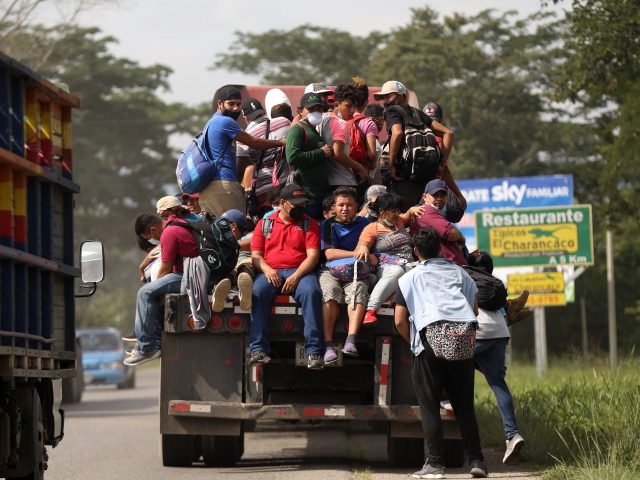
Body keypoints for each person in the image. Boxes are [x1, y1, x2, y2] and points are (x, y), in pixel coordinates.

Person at [394, 227, 488, 479]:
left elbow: (400, 320)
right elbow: (475, 310)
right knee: (464, 405)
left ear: (416, 251)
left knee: (429, 406)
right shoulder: (460, 273)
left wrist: (416, 343)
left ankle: (434, 465)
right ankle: (477, 460)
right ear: (439, 249)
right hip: (463, 341)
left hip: (429, 341)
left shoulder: (408, 278)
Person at [248, 183, 325, 370]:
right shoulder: (264, 223)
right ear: (282, 203)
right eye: (295, 204)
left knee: (312, 292)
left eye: (303, 204)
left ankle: (314, 352)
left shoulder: (310, 223)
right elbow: (256, 256)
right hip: (271, 270)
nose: (300, 208)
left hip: (300, 271)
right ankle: (258, 349)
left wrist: (296, 276)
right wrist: (267, 270)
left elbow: (313, 256)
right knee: (258, 292)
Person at [465, 250, 526, 464]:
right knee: (498, 383)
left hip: (475, 332)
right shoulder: (495, 283)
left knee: (453, 371)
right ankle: (512, 434)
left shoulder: (463, 275)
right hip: (500, 332)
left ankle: (457, 425)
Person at [198, 86, 285, 216]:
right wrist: (282, 142)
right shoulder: (225, 121)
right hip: (224, 185)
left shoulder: (211, 122)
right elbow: (253, 142)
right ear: (220, 103)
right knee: (235, 229)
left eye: (238, 104)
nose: (235, 108)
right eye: (231, 104)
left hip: (209, 187)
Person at [126, 211, 199, 366]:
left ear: (153, 230)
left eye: (150, 238)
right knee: (152, 293)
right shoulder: (174, 225)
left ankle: (147, 348)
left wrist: (154, 286)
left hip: (187, 275)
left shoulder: (169, 233)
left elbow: (165, 269)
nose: (153, 241)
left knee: (145, 292)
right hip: (187, 272)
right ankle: (152, 342)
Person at [374, 80, 454, 207]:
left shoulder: (392, 111)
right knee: (423, 216)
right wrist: (441, 164)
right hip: (426, 176)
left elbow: (397, 133)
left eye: (388, 96)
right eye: (383, 97)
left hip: (404, 177)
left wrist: (391, 164)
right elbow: (448, 133)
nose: (384, 101)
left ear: (400, 95)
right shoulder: (418, 113)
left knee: (403, 215)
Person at [319, 186, 373, 363]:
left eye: (349, 205)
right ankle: (328, 344)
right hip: (330, 270)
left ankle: (351, 341)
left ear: (357, 205)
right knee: (330, 291)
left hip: (356, 272)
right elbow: (329, 254)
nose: (344, 208)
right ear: (334, 206)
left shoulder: (366, 224)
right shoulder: (328, 225)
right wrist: (357, 252)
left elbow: (371, 249)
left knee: (359, 289)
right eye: (341, 205)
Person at [355, 193, 422, 325]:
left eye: (398, 210)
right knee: (397, 272)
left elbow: (408, 213)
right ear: (382, 212)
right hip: (385, 268)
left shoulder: (399, 221)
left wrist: (412, 210)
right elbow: (361, 247)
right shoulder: (371, 228)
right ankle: (370, 310)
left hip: (408, 265)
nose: (397, 213)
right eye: (393, 211)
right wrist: (364, 249)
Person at [236, 97, 291, 217]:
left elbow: (241, 168)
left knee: (270, 224)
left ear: (246, 118)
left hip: (264, 189)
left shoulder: (244, 137)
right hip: (287, 181)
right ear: (264, 111)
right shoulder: (284, 122)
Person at [285, 92, 333, 219]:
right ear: (300, 111)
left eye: (318, 108)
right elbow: (292, 157)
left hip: (319, 194)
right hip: (307, 195)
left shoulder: (314, 131)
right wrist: (321, 152)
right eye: (311, 109)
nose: (315, 112)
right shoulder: (297, 130)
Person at [410, 179, 467, 265]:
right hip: (442, 267)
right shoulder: (425, 211)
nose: (439, 199)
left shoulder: (438, 212)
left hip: (448, 265)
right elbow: (450, 234)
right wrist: (461, 236)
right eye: (435, 195)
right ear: (425, 197)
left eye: (443, 195)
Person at [209, 209, 255, 312]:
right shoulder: (220, 239)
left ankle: (245, 284)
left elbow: (253, 242)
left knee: (246, 265)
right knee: (229, 273)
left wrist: (233, 245)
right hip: (230, 265)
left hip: (245, 260)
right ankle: (221, 289)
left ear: (232, 226)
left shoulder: (250, 236)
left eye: (222, 225)